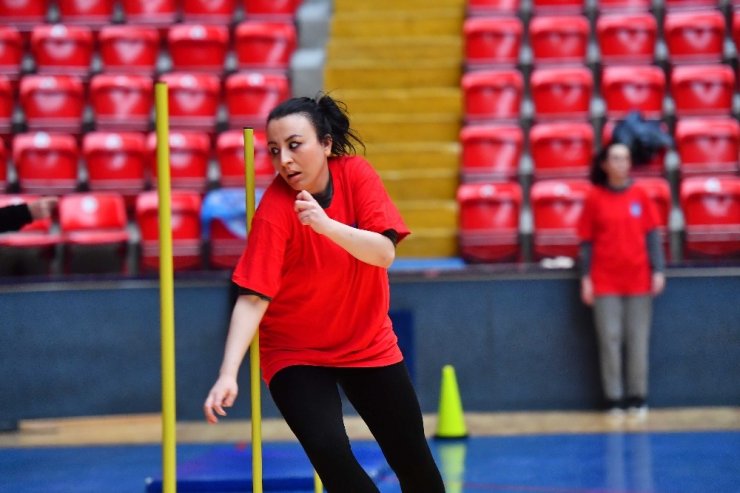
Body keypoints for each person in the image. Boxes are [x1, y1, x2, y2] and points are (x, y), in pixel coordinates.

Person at [203, 94, 446, 493]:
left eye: (295, 145)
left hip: (367, 341)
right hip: (296, 353)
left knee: (413, 458)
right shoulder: (274, 209)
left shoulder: (357, 175)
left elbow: (383, 253)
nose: (285, 160)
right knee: (331, 455)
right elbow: (252, 297)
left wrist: (325, 224)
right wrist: (228, 373)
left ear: (327, 144)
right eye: (275, 150)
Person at [577, 141, 666, 421]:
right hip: (604, 281)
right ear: (605, 164)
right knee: (609, 340)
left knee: (638, 341)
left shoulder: (640, 195)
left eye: (625, 158)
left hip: (638, 279)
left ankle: (637, 397)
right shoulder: (594, 198)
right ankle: (613, 399)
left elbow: (652, 236)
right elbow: (586, 243)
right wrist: (586, 279)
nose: (621, 164)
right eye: (615, 158)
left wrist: (658, 270)